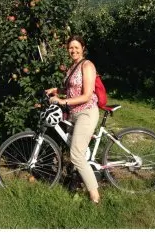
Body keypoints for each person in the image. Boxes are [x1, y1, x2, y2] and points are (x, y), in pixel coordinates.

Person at [45, 35, 100, 204]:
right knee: (75, 147)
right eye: (70, 47)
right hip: (73, 113)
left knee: (75, 154)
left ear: (83, 48)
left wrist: (63, 101)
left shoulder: (87, 65)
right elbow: (70, 88)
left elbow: (86, 95)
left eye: (77, 47)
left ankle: (95, 197)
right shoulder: (72, 67)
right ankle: (76, 180)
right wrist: (56, 90)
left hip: (86, 112)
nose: (73, 50)